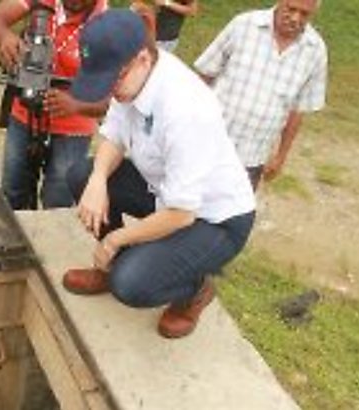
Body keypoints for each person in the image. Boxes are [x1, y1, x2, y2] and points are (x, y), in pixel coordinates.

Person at [62, 9, 256, 339]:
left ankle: (193, 291)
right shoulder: (133, 79)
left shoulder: (185, 109)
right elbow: (115, 134)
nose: (109, 92)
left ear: (141, 59)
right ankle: (113, 267)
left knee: (132, 285)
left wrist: (114, 239)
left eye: (113, 81)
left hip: (213, 219)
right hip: (163, 190)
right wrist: (97, 181)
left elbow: (181, 214)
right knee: (82, 174)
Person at [0, 0, 108, 210]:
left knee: (58, 200)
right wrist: (5, 37)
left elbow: (112, 101)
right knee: (13, 191)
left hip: (73, 129)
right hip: (24, 114)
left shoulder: (108, 27)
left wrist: (77, 105)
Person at [194, 0, 327, 190]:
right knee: (180, 209)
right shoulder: (244, 25)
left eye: (304, 14)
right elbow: (204, 75)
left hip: (252, 159)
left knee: (230, 218)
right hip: (206, 143)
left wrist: (281, 156)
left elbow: (298, 110)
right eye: (291, 9)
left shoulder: (315, 50)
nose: (296, 18)